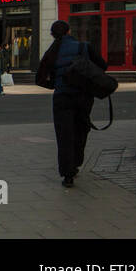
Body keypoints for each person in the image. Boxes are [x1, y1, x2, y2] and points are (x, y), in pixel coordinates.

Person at [37, 19, 108, 187]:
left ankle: (67, 175)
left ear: (53, 35)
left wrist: (56, 84)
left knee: (64, 136)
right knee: (81, 130)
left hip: (62, 97)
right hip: (83, 96)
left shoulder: (51, 52)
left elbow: (39, 79)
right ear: (69, 32)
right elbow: (103, 66)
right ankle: (76, 162)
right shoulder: (83, 47)